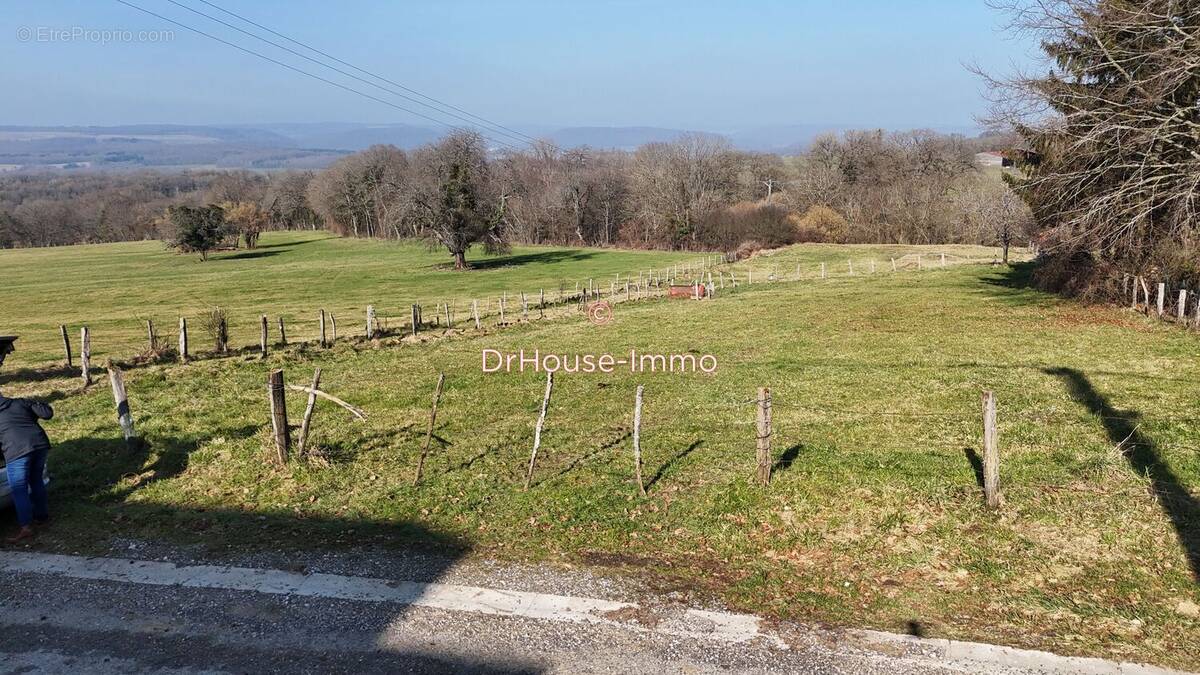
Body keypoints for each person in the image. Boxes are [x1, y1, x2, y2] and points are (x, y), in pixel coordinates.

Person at [0, 392, 53, 543]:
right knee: (36, 481)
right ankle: (42, 517)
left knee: (19, 489)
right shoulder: (20, 403)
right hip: (39, 445)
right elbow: (47, 414)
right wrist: (36, 402)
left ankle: (26, 528)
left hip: (16, 451)